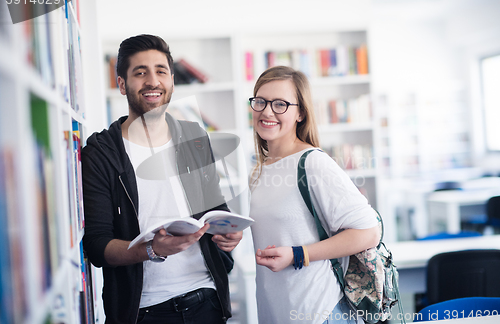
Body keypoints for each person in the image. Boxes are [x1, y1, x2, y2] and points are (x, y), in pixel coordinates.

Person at [82, 34, 242, 324]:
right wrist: (151, 250)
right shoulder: (101, 153)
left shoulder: (194, 136)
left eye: (160, 71)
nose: (152, 81)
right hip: (142, 311)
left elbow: (214, 206)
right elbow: (97, 246)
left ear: (171, 81)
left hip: (206, 300)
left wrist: (229, 232)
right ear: (121, 84)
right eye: (140, 72)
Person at [249, 66, 381, 324]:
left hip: (317, 312)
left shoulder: (312, 163)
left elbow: (369, 232)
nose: (267, 111)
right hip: (277, 311)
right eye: (261, 101)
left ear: (300, 113)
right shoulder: (259, 170)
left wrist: (298, 254)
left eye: (280, 104)